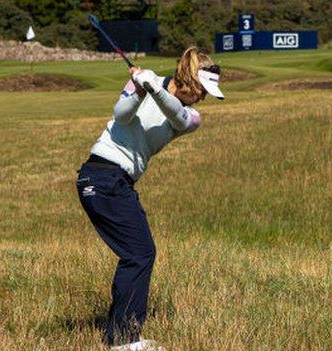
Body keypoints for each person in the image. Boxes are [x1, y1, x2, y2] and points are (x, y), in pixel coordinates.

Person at [75, 46, 224, 351]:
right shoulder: (145, 82)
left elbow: (177, 114)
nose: (204, 98)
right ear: (191, 80)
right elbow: (121, 114)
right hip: (102, 177)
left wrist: (152, 88)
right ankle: (123, 339)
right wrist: (139, 91)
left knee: (139, 253)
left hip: (117, 182)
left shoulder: (191, 117)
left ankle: (120, 334)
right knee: (139, 254)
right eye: (203, 90)